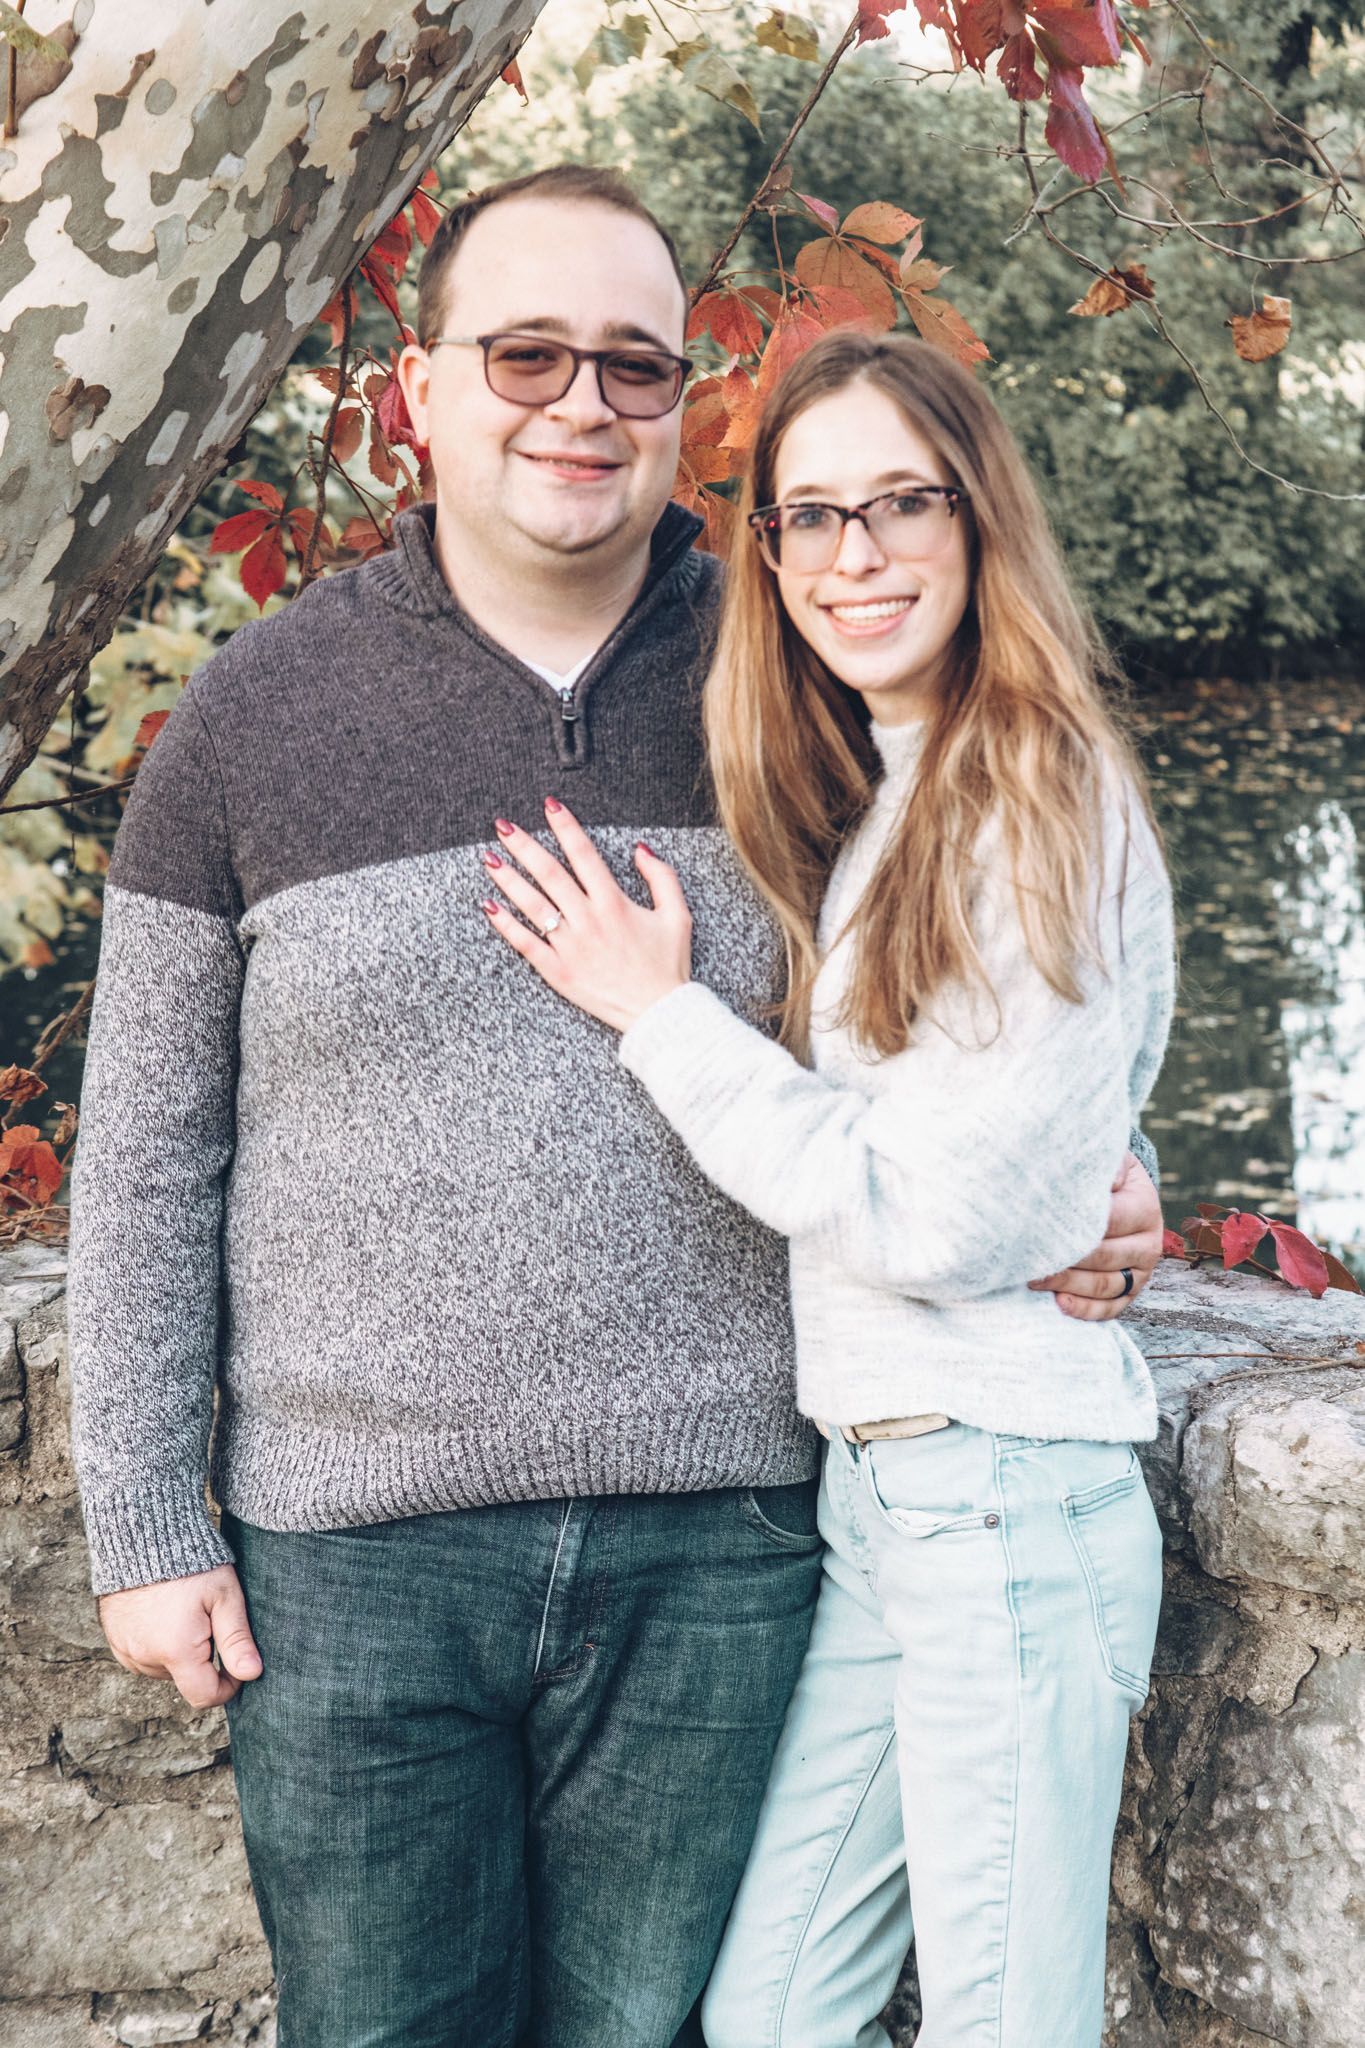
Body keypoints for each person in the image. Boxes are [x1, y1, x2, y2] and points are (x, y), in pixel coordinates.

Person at [66, 168, 1163, 2048]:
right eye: (526, 354)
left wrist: (1099, 1167)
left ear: (683, 407)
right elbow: (151, 1154)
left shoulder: (798, 667)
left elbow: (972, 988)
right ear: (422, 387)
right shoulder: (250, 717)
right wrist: (145, 1523)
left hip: (721, 1539)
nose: (579, 403)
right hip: (355, 1561)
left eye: (634, 367)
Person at [483, 327, 1175, 2047]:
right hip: (892, 1505)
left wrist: (662, 1016)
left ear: (977, 517)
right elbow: (1005, 1120)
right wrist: (1108, 1172)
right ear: (769, 554)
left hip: (1002, 1498)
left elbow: (941, 1217)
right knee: (777, 2010)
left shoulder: (1033, 787)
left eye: (897, 504)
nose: (854, 557)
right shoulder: (901, 784)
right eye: (809, 517)